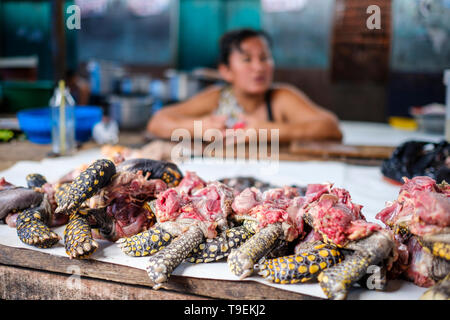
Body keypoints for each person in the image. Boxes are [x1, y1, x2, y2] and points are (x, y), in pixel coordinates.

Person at [147, 28, 342, 143]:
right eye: (247, 59)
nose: (259, 67)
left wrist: (267, 131)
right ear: (226, 71)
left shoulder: (281, 97)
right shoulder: (217, 98)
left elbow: (331, 127)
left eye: (265, 58)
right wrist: (199, 126)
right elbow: (157, 122)